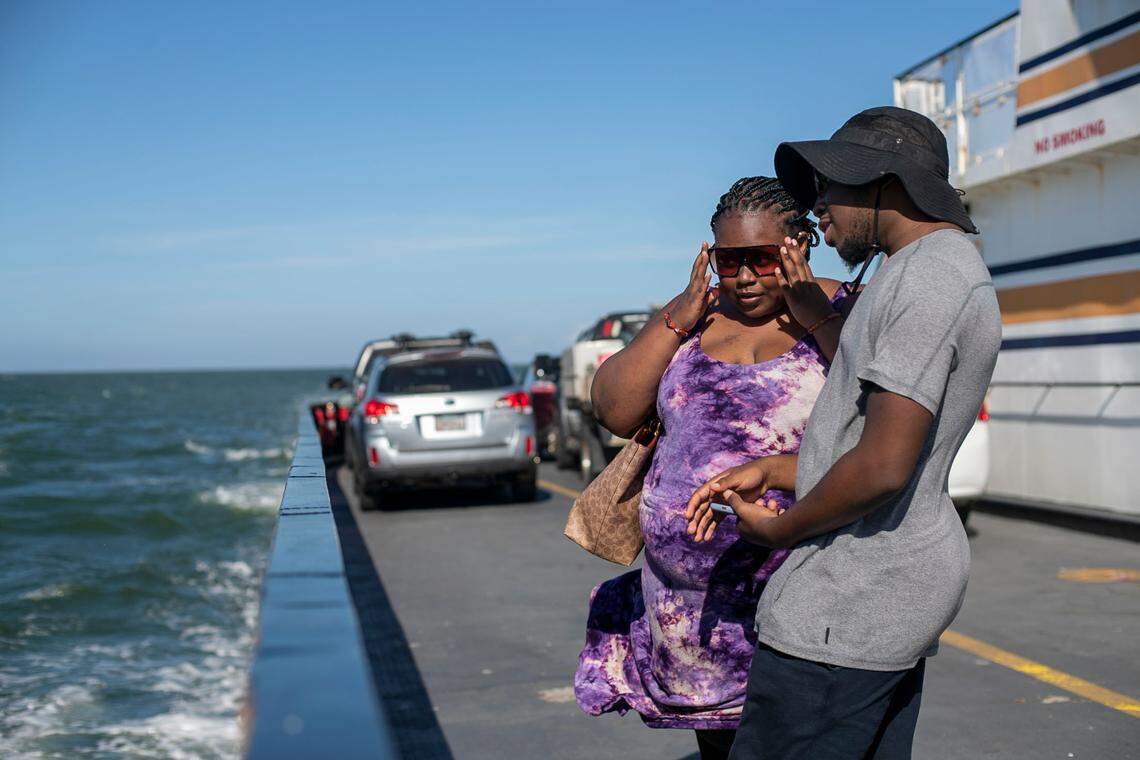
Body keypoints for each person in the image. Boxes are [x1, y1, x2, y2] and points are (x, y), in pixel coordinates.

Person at [685, 107, 1003, 759]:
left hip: (851, 602)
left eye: (830, 186)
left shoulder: (931, 278)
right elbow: (870, 424)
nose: (818, 207)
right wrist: (781, 468)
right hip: (865, 597)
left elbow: (885, 465)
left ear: (883, 181)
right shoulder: (910, 273)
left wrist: (780, 528)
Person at [573, 176, 848, 760]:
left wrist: (814, 314)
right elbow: (616, 410)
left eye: (764, 259)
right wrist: (680, 312)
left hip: (798, 590)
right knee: (723, 753)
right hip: (693, 610)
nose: (745, 277)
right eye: (729, 261)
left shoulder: (843, 308)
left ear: (800, 245)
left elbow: (875, 418)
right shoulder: (694, 318)